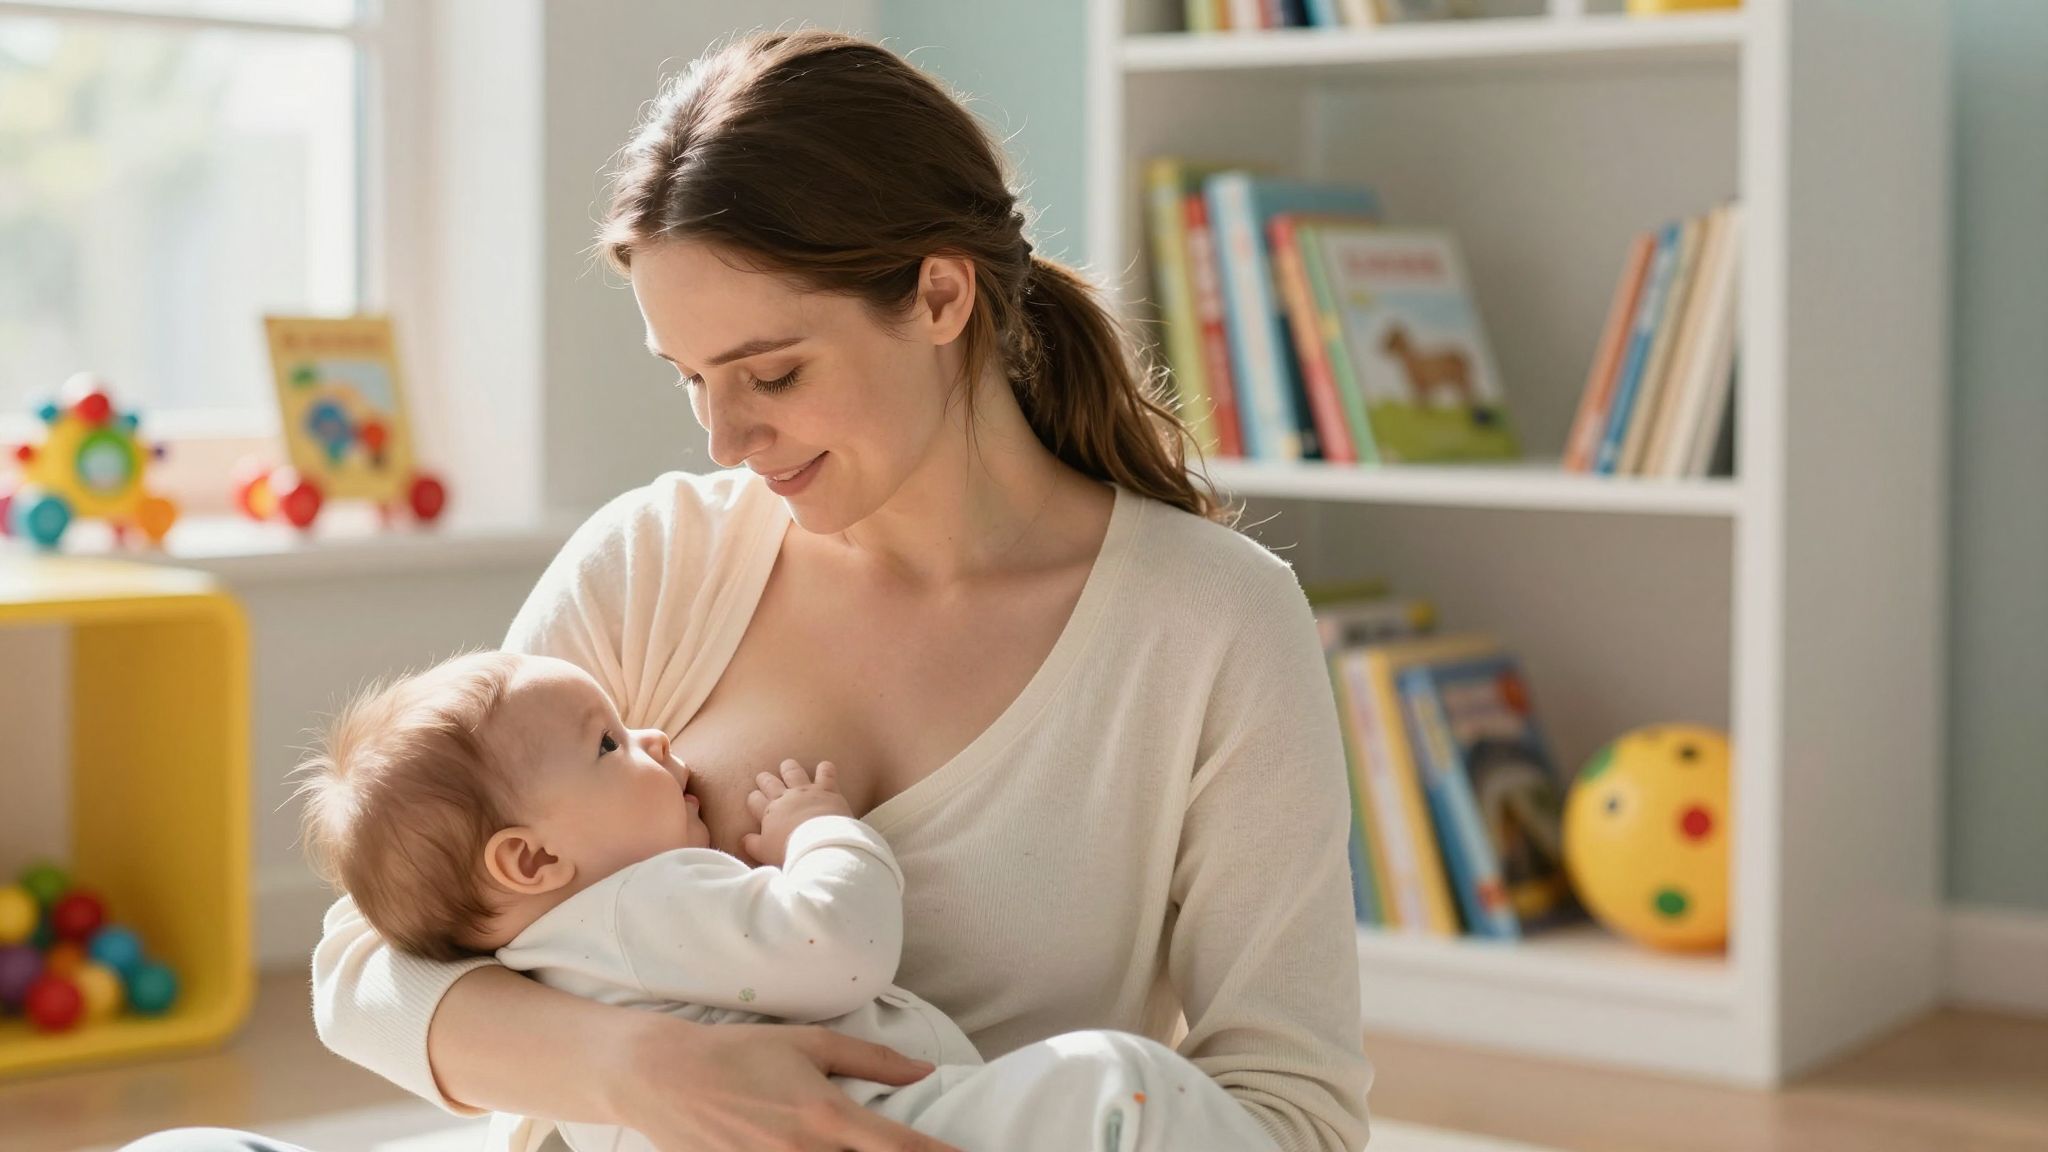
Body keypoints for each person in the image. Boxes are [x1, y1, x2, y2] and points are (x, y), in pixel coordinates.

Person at [127, 26, 1370, 1152]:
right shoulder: (659, 557)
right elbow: (366, 965)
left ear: (941, 294)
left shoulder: (1210, 625)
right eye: (689, 378)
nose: (724, 439)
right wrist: (645, 1071)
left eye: (769, 373)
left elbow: (1292, 1112)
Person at [289, 649, 1285, 1152]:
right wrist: (819, 829)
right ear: (532, 863)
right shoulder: (644, 905)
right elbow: (835, 946)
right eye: (610, 744)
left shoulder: (543, 955)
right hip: (888, 1127)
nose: (658, 741)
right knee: (1111, 1085)